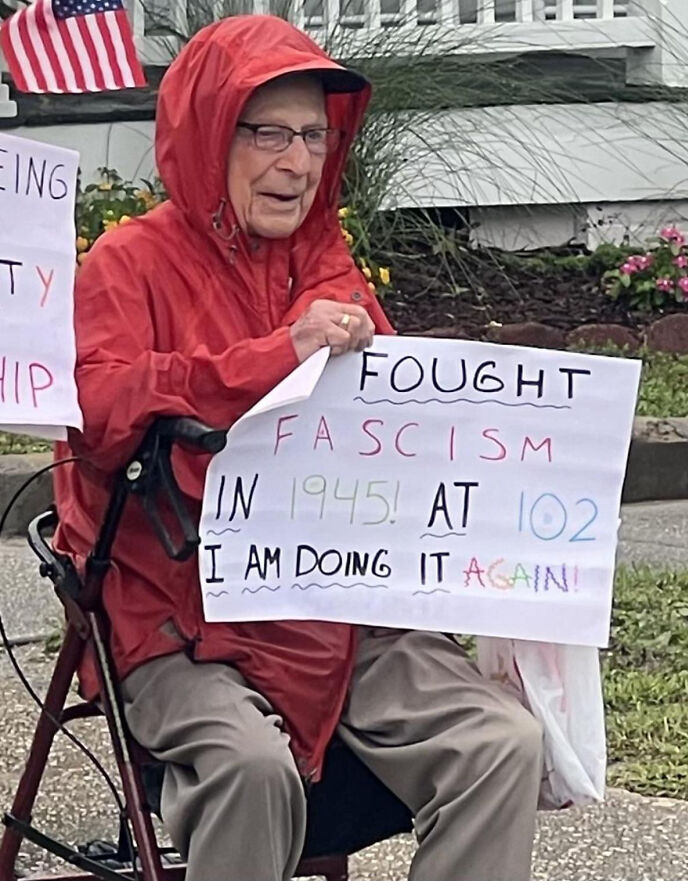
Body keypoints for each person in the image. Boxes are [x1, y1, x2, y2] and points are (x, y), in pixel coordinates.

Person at [54, 14, 543, 881]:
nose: (297, 161)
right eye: (270, 132)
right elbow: (97, 411)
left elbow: (401, 425)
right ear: (210, 132)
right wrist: (271, 356)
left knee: (501, 740)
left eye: (315, 135)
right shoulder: (126, 264)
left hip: (331, 605)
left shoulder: (328, 261)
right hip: (181, 612)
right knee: (249, 768)